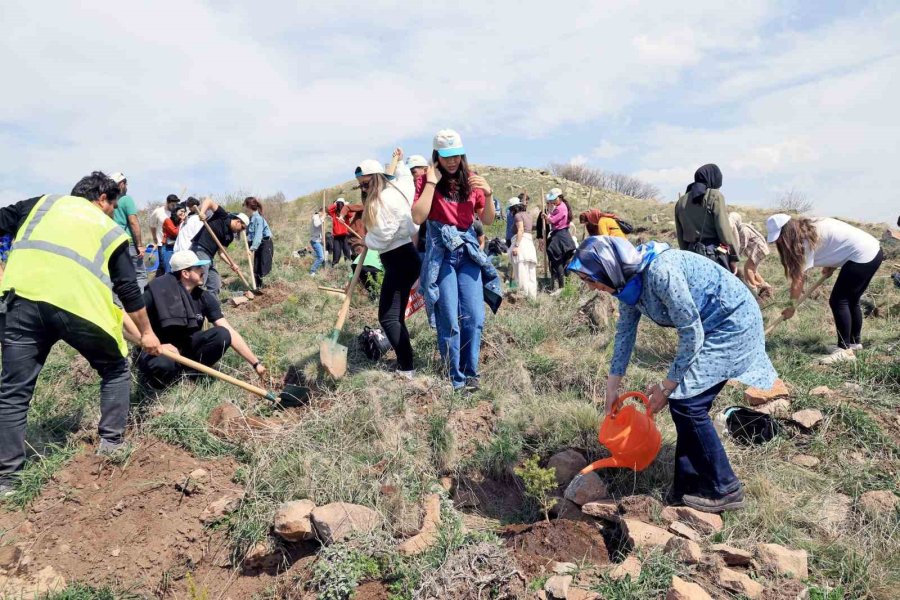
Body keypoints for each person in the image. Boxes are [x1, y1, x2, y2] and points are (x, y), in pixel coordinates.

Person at [568, 236, 777, 513]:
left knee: (688, 404)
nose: (594, 288)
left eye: (593, 280)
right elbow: (625, 333)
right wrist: (612, 387)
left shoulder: (660, 272)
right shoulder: (628, 282)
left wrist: (667, 387)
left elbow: (691, 333)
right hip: (708, 329)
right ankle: (687, 487)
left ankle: (725, 488)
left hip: (732, 325)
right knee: (685, 402)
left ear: (609, 267)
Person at [0, 172, 163, 496]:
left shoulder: (39, 205)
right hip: (80, 309)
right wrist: (147, 333)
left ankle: (7, 481)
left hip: (21, 304)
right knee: (116, 368)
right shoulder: (109, 229)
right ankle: (111, 443)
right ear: (102, 198)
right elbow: (129, 288)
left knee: (13, 392)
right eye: (113, 204)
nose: (113, 211)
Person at [411, 129, 502, 392]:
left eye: (456, 156)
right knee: (449, 317)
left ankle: (471, 373)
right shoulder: (427, 181)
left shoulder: (472, 181)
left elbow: (487, 220)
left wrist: (488, 194)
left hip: (468, 253)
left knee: (473, 316)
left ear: (462, 155)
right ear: (437, 156)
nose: (452, 161)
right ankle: (455, 376)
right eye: (446, 156)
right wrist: (429, 182)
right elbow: (418, 217)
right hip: (441, 254)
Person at [138, 250, 267, 388]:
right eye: (198, 268)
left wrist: (256, 363)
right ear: (185, 273)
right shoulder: (156, 293)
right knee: (164, 364)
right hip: (158, 350)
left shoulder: (204, 297)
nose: (203, 270)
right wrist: (158, 345)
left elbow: (229, 330)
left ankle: (190, 373)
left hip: (186, 348)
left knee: (222, 334)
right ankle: (168, 382)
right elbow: (128, 321)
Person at [767, 214, 884, 364]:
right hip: (873, 250)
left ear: (787, 232)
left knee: (838, 301)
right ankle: (854, 343)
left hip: (862, 255)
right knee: (851, 300)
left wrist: (791, 307)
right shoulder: (811, 225)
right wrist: (832, 263)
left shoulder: (803, 242)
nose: (778, 242)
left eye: (779, 237)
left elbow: (798, 280)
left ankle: (844, 350)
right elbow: (837, 242)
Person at [356, 149, 421, 378]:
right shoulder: (397, 188)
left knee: (388, 317)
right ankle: (407, 364)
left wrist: (367, 239)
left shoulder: (381, 201)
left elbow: (382, 235)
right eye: (360, 186)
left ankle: (406, 368)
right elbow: (406, 179)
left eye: (365, 184)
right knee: (396, 316)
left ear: (375, 179)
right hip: (406, 256)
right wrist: (400, 163)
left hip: (398, 258)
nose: (363, 189)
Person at [674, 164, 738, 273]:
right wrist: (733, 258)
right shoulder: (715, 196)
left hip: (690, 256)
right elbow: (724, 232)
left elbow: (680, 236)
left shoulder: (681, 202)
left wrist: (686, 254)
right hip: (713, 255)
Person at [187, 198, 247, 298]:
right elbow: (209, 201)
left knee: (215, 284)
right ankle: (192, 307)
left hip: (209, 256)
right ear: (238, 221)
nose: (241, 231)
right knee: (199, 281)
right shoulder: (223, 216)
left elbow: (221, 253)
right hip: (199, 249)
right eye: (242, 228)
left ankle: (212, 310)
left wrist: (232, 264)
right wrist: (202, 213)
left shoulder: (230, 236)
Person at [109, 172, 148, 293]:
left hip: (112, 243)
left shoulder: (107, 201)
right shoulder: (126, 199)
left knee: (117, 276)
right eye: (125, 183)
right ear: (121, 184)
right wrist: (140, 245)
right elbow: (133, 222)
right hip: (128, 243)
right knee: (140, 274)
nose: (127, 186)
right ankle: (143, 305)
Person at [728, 213, 772, 296]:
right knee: (753, 271)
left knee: (748, 269)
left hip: (759, 249)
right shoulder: (742, 228)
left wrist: (735, 257)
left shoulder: (743, 230)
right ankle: (766, 287)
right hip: (759, 249)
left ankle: (753, 290)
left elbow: (742, 245)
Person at [544, 188, 577, 294]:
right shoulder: (560, 206)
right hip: (562, 235)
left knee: (557, 260)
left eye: (554, 199)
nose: (553, 202)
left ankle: (562, 286)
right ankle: (564, 285)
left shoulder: (561, 208)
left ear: (559, 197)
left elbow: (551, 220)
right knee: (561, 261)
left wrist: (546, 216)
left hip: (560, 235)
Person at [508, 199, 538, 298]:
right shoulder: (528, 215)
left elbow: (520, 230)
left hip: (522, 243)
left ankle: (523, 296)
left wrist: (516, 246)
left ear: (513, 208)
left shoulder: (518, 216)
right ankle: (532, 297)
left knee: (521, 272)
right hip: (529, 243)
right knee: (531, 273)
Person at [243, 197, 274, 289]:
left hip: (265, 244)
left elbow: (258, 235)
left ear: (249, 206)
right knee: (256, 268)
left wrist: (252, 249)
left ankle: (268, 288)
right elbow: (248, 233)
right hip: (257, 245)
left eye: (245, 205)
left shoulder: (258, 219)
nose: (244, 207)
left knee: (264, 267)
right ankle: (257, 287)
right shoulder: (250, 219)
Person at [159, 203, 187, 275]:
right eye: (181, 211)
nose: (183, 213)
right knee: (169, 271)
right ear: (175, 211)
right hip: (168, 249)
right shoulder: (168, 221)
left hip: (178, 249)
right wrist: (182, 221)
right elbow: (176, 232)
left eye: (184, 211)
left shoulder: (182, 222)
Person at [327, 198, 352, 266]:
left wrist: (346, 207)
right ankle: (335, 266)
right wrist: (334, 204)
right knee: (336, 252)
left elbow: (351, 215)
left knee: (347, 251)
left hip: (345, 235)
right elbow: (328, 210)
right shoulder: (334, 213)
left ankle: (348, 265)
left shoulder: (346, 212)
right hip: (336, 236)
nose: (340, 205)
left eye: (341, 204)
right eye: (339, 204)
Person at [309, 209, 326, 276]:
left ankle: (323, 269)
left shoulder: (320, 217)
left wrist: (322, 238)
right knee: (321, 257)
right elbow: (316, 224)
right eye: (325, 213)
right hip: (315, 240)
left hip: (318, 240)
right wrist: (322, 218)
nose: (325, 215)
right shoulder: (315, 216)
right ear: (321, 212)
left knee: (321, 256)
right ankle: (312, 271)